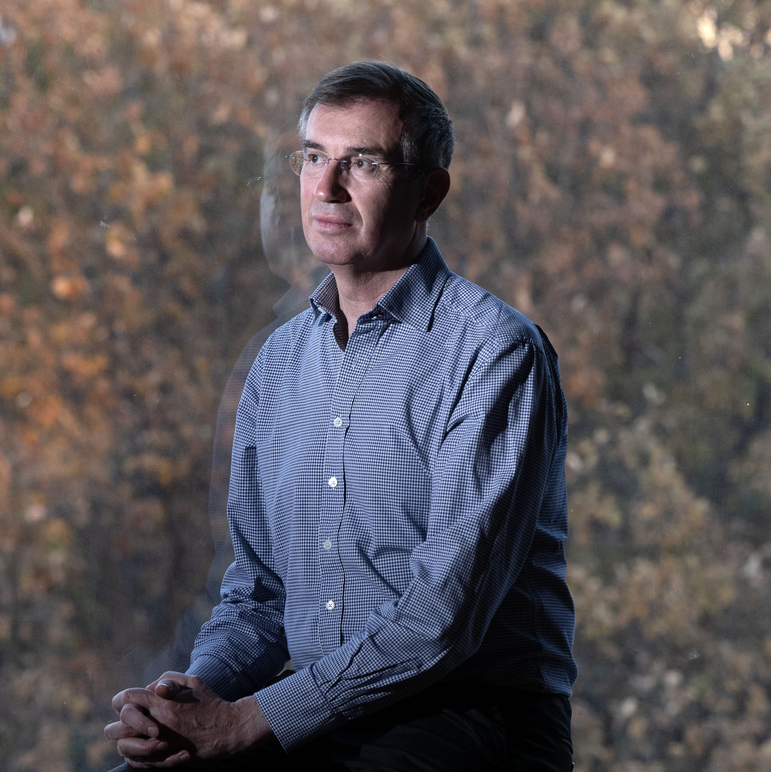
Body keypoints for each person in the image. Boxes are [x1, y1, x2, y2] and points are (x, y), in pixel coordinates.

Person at [105, 61, 577, 770]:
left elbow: (439, 620)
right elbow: (260, 591)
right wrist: (194, 696)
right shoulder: (280, 363)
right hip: (313, 716)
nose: (325, 188)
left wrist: (246, 722)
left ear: (429, 192)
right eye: (313, 157)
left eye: (361, 162)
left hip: (468, 720)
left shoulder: (494, 353)